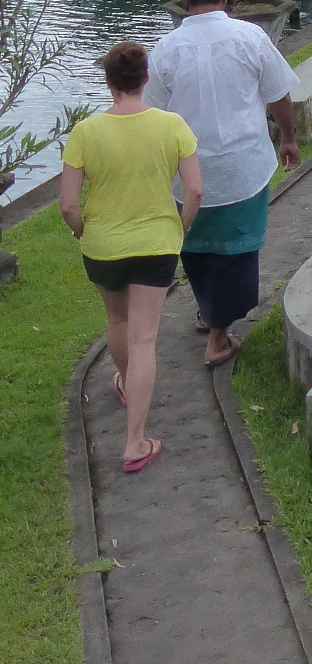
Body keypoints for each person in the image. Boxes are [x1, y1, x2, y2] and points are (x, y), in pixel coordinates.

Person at [60, 42, 203, 474]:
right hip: (156, 244)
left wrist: (82, 230)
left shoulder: (85, 132)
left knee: (118, 322)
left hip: (102, 247)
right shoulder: (172, 125)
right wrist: (180, 228)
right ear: (145, 79)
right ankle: (135, 441)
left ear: (108, 81)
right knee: (144, 339)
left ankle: (125, 382)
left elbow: (68, 205)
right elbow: (195, 190)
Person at [147, 0, 300, 365]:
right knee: (237, 249)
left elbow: (151, 115)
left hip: (186, 173)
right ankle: (217, 338)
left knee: (195, 247)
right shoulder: (250, 36)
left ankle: (209, 309)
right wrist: (288, 138)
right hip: (242, 167)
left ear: (185, 0)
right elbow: (279, 95)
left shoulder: (165, 49)